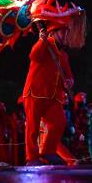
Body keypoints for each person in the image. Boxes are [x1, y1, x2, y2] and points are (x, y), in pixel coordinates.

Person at [21, 21, 74, 165]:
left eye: (66, 32)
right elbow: (34, 56)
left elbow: (68, 75)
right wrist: (41, 41)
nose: (65, 34)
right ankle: (31, 158)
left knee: (59, 121)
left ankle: (47, 151)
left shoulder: (63, 55)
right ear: (53, 32)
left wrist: (69, 81)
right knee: (32, 127)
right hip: (35, 93)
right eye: (62, 31)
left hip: (53, 96)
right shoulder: (45, 44)